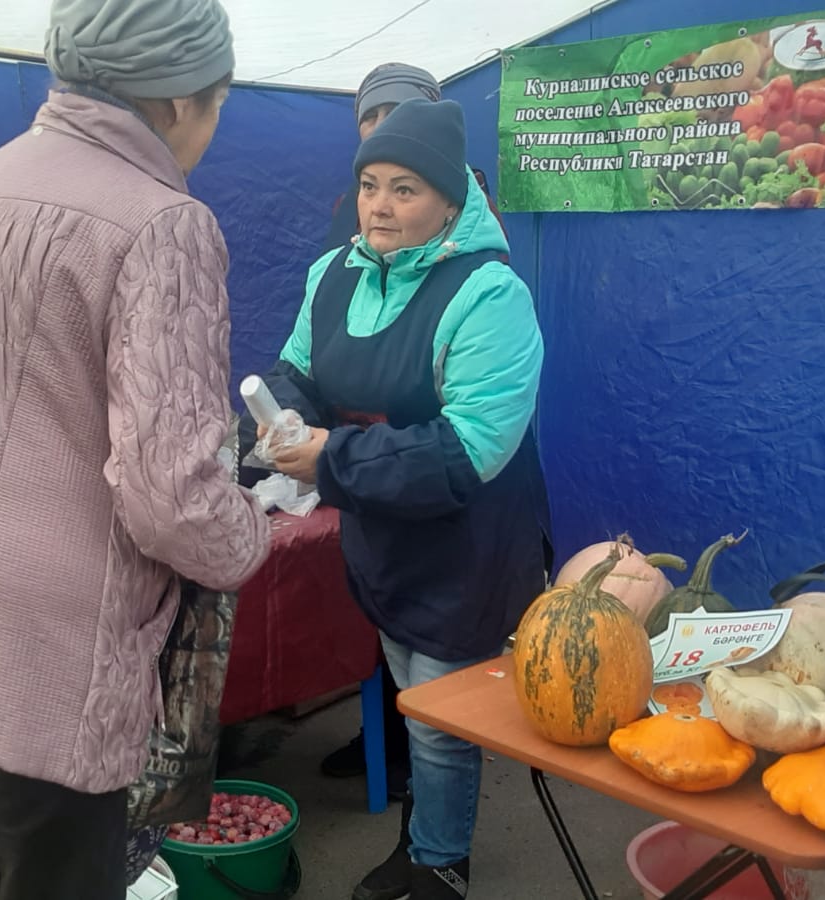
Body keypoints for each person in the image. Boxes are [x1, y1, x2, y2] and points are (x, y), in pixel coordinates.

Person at [0, 0, 271, 897]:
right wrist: (249, 533)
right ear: (177, 101)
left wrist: (0, 441)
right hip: (54, 638)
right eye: (218, 104)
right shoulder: (163, 222)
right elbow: (171, 492)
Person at [251, 99, 551, 900]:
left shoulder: (489, 294)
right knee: (411, 693)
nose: (379, 206)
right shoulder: (333, 274)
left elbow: (469, 451)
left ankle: (440, 863)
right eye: (370, 185)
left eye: (405, 189)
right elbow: (297, 371)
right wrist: (284, 417)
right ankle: (423, 839)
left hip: (465, 545)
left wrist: (330, 457)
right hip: (382, 537)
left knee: (440, 721)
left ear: (451, 202)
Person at [319, 63, 506, 257]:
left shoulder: (476, 211)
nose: (380, 126)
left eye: (394, 113)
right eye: (370, 116)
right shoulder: (347, 204)